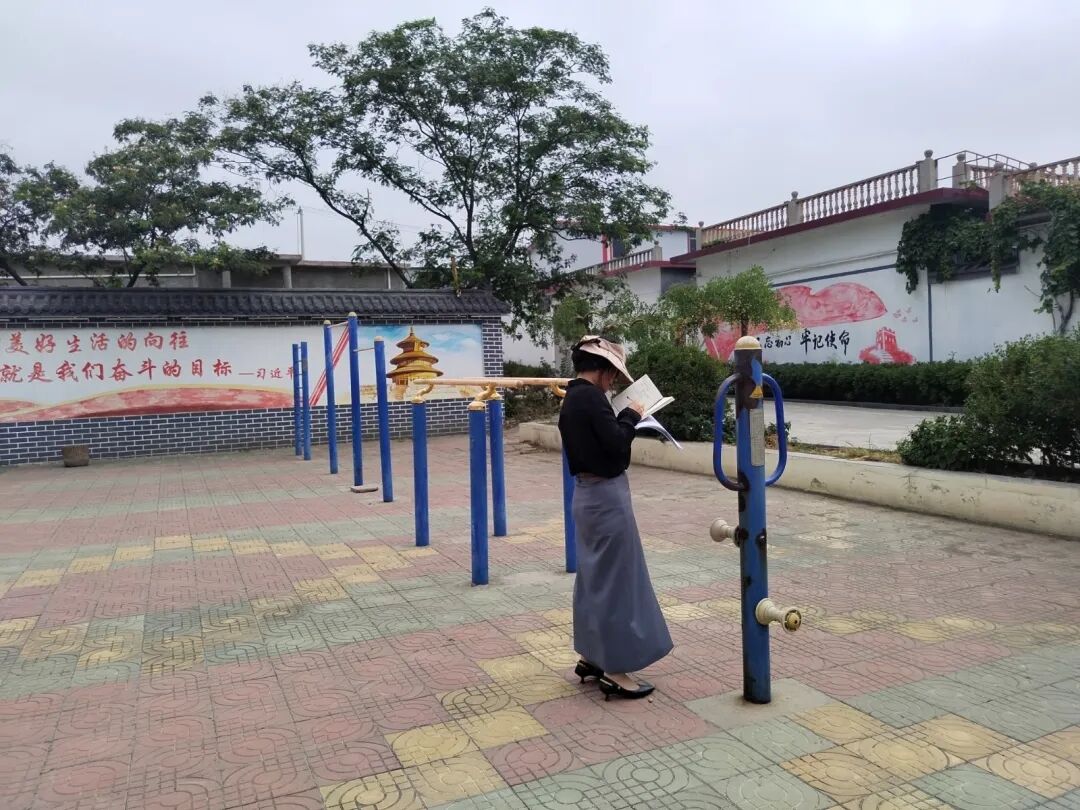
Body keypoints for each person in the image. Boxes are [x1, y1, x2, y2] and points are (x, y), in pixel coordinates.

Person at [558, 335, 673, 700]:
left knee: (594, 578)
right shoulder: (593, 398)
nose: (613, 383)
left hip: (584, 495)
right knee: (618, 581)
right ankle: (616, 669)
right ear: (603, 370)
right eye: (613, 375)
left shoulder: (571, 397)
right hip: (607, 497)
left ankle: (592, 655)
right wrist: (632, 416)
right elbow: (616, 446)